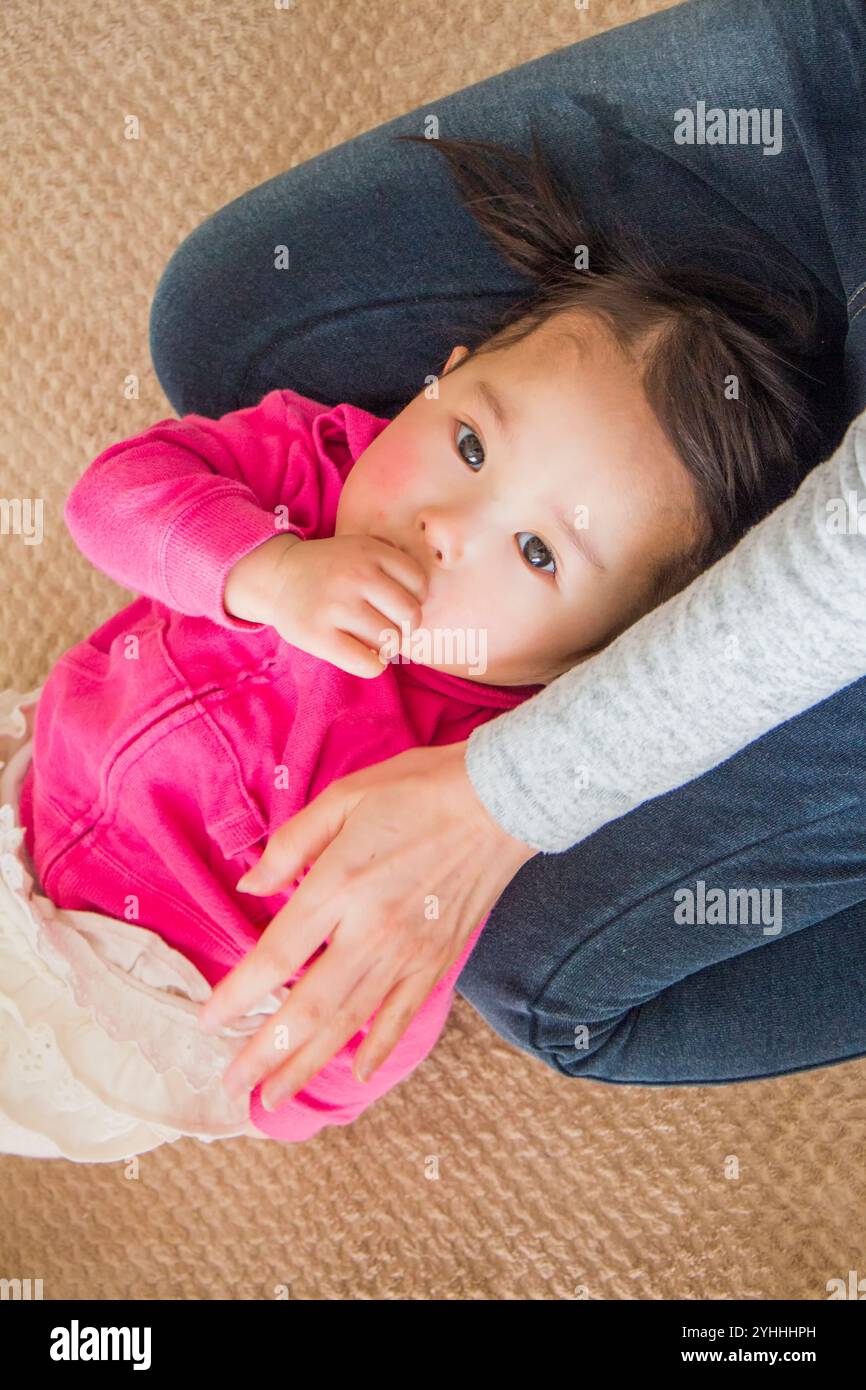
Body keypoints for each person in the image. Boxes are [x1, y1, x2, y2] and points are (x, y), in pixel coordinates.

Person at [161, 0, 866, 1109]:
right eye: (471, 438)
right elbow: (126, 492)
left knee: (543, 977)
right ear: (452, 364)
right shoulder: (310, 464)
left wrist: (508, 796)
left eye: (536, 550)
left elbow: (341, 1052)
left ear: (614, 649)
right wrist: (257, 567)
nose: (448, 521)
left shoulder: (500, 707)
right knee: (221, 337)